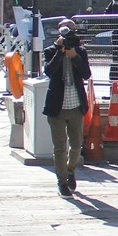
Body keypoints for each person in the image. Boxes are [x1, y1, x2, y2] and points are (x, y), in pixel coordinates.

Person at [42, 20, 91, 198]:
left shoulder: (80, 51)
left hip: (76, 105)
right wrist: (61, 53)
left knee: (77, 145)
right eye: (66, 30)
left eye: (72, 30)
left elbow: (86, 74)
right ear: (59, 32)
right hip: (57, 106)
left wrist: (74, 56)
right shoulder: (50, 51)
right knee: (60, 147)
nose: (69, 33)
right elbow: (48, 71)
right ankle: (61, 181)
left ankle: (70, 170)